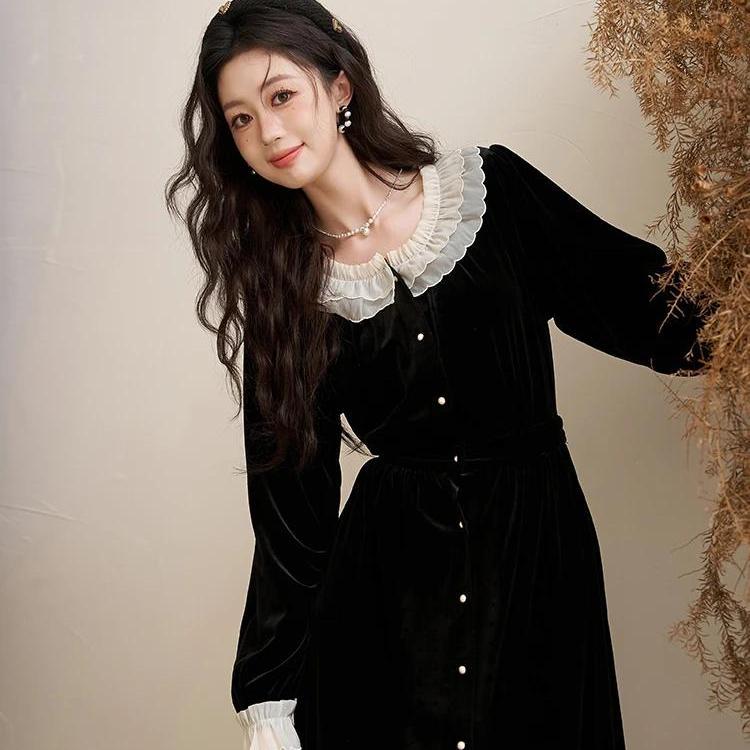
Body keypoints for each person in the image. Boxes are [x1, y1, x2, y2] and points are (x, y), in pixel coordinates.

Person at [164, 1, 717, 748]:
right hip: (388, 599)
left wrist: (733, 320)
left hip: (535, 555)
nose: (268, 132)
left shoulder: (492, 194)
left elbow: (640, 302)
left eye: (281, 95)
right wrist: (269, 695)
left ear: (339, 86)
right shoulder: (285, 295)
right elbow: (291, 510)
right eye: (239, 119)